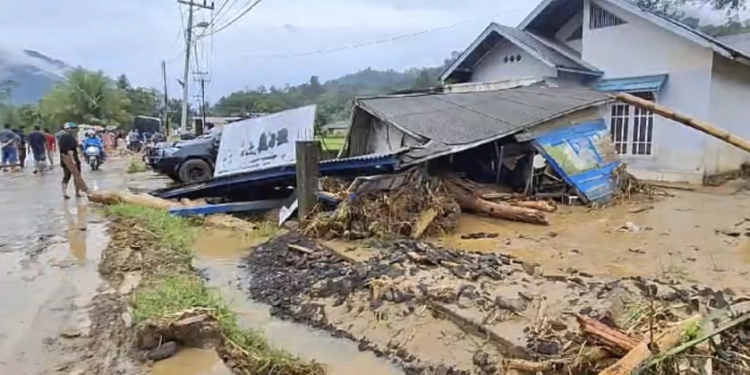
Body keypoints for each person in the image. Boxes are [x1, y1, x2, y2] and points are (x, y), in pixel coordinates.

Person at [59, 122, 83, 199]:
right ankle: (77, 192)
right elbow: (70, 150)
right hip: (71, 159)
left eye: (74, 128)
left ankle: (64, 192)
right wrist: (73, 160)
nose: (74, 130)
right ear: (67, 129)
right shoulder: (68, 137)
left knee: (66, 176)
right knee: (77, 175)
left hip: (64, 159)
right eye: (72, 128)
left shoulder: (62, 137)